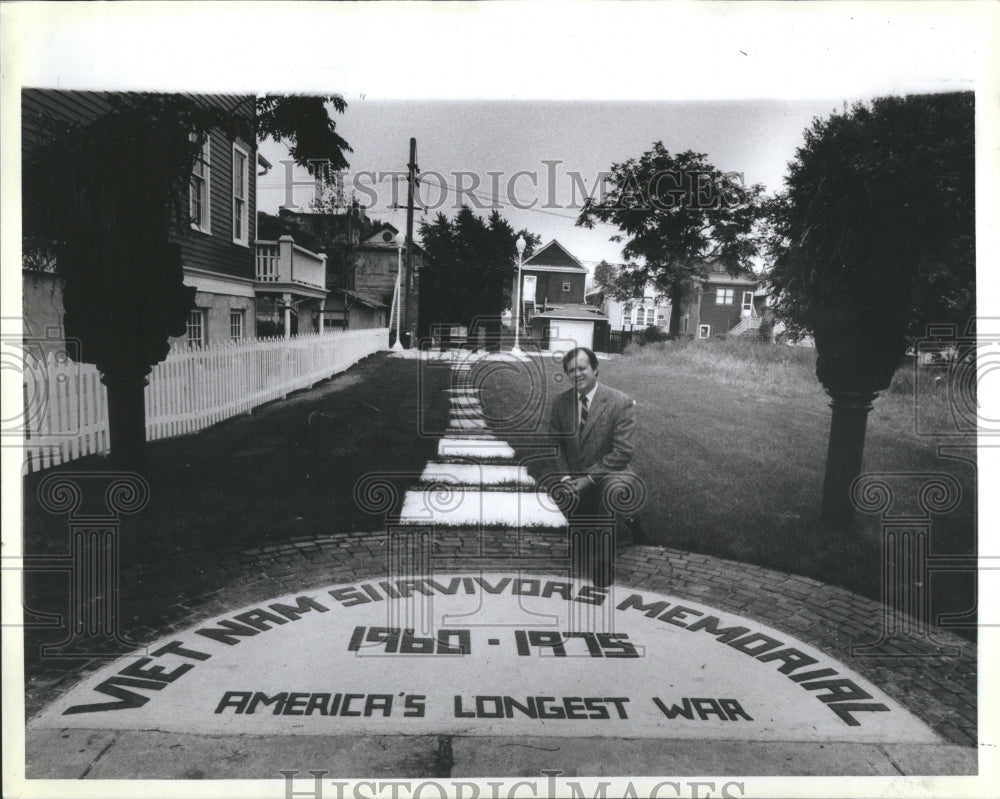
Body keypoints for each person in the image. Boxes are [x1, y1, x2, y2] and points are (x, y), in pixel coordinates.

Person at [547, 347, 644, 586]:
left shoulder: (619, 402)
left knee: (613, 492)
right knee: (562, 495)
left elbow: (623, 452)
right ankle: (607, 531)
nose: (577, 374)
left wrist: (589, 479)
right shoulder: (561, 404)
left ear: (595, 369)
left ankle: (604, 562)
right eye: (571, 370)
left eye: (582, 368)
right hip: (576, 475)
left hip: (612, 474)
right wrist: (564, 478)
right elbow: (555, 445)